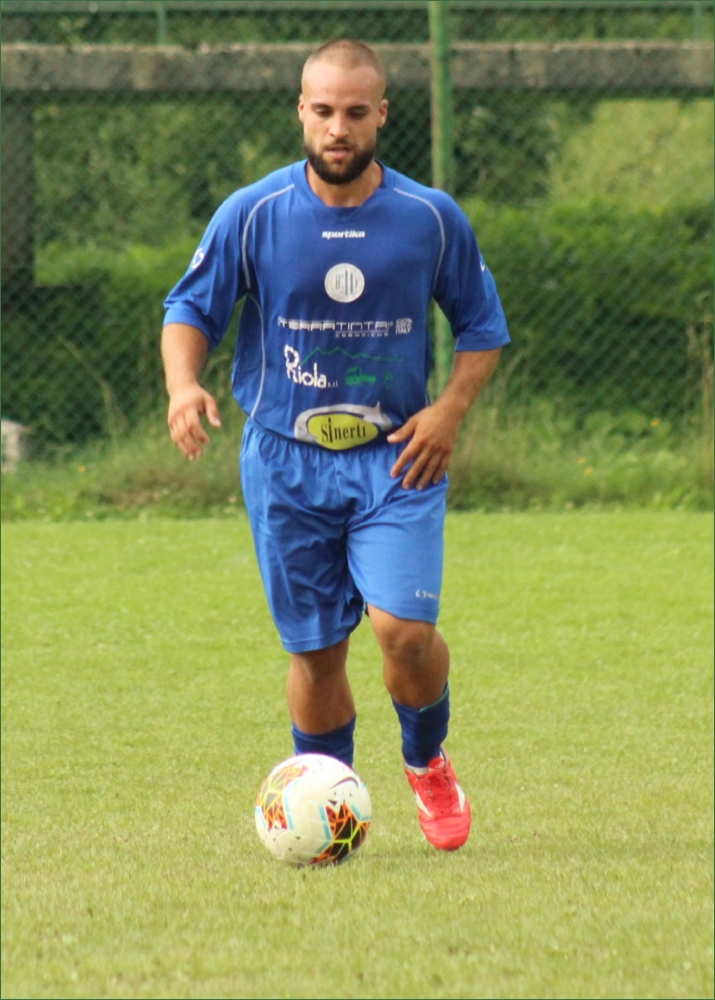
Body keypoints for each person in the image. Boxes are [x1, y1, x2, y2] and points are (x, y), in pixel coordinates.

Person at [162, 38, 509, 852]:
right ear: (300, 111)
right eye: (322, 111)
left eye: (355, 112)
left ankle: (425, 761)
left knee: (403, 633)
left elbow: (481, 326)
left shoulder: (428, 217)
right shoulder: (253, 212)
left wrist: (449, 410)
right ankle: (325, 808)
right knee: (317, 654)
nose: (338, 128)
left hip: (397, 456)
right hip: (285, 461)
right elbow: (190, 310)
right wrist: (183, 385)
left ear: (381, 114)